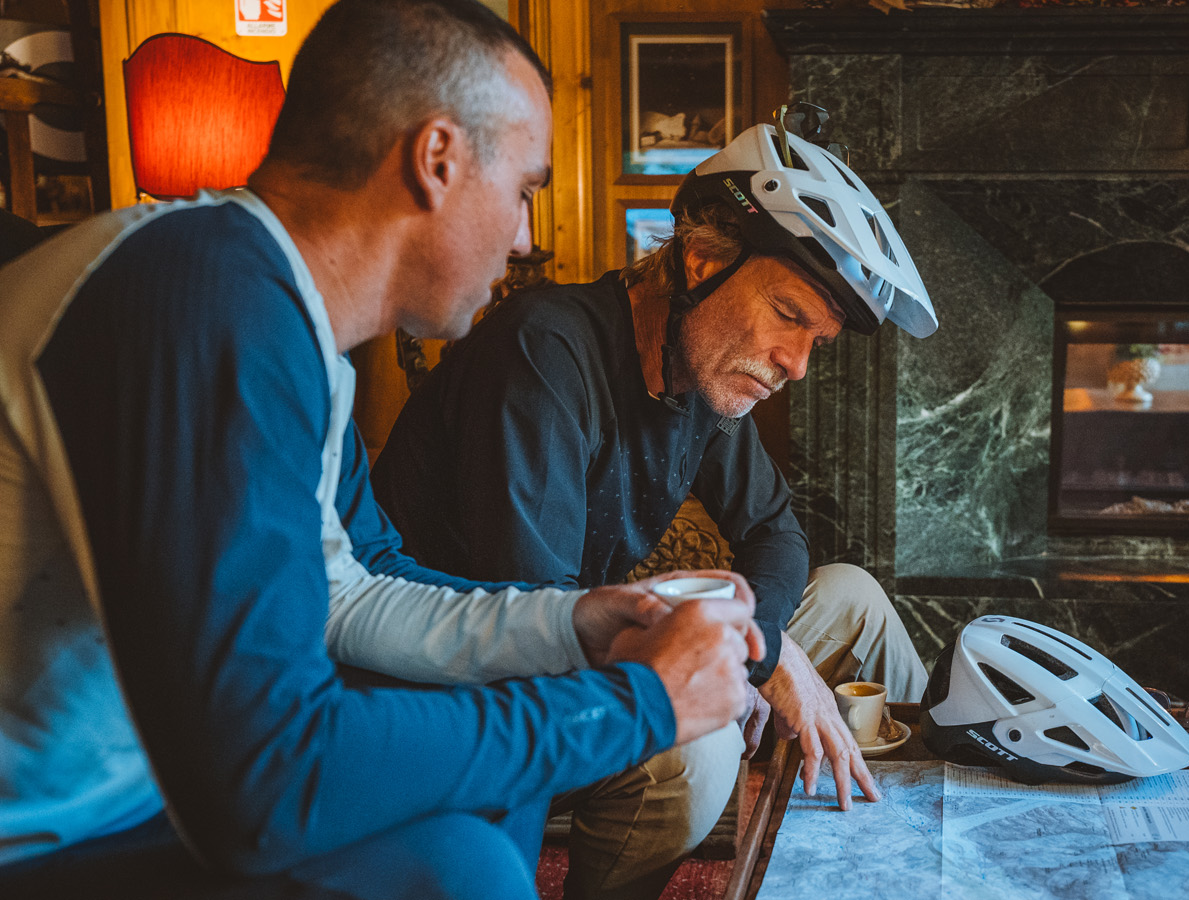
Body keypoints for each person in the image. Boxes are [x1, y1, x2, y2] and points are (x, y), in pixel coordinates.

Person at [0, 2, 760, 898]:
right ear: (436, 159)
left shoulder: (288, 329)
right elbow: (262, 783)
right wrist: (638, 704)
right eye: (523, 188)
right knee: (458, 867)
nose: (523, 237)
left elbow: (349, 594)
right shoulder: (199, 299)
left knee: (486, 777)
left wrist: (576, 625)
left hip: (151, 796)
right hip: (52, 835)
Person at [370, 108, 940, 885]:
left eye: (818, 340)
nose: (798, 364)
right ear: (703, 261)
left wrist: (761, 640)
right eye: (788, 315)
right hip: (472, 698)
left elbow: (774, 530)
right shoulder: (544, 350)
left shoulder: (703, 370)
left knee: (855, 597)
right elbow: (544, 616)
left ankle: (901, 851)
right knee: (694, 747)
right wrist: (757, 651)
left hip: (580, 652)